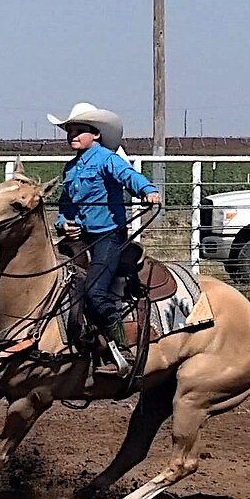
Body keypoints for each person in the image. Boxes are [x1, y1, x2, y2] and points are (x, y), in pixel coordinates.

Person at [48, 102, 162, 376]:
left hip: (108, 237)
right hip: (80, 238)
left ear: (96, 135)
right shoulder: (70, 169)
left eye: (79, 130)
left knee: (96, 292)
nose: (72, 135)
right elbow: (65, 207)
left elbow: (129, 176)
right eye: (70, 131)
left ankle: (122, 349)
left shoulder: (108, 160)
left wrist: (148, 191)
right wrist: (65, 224)